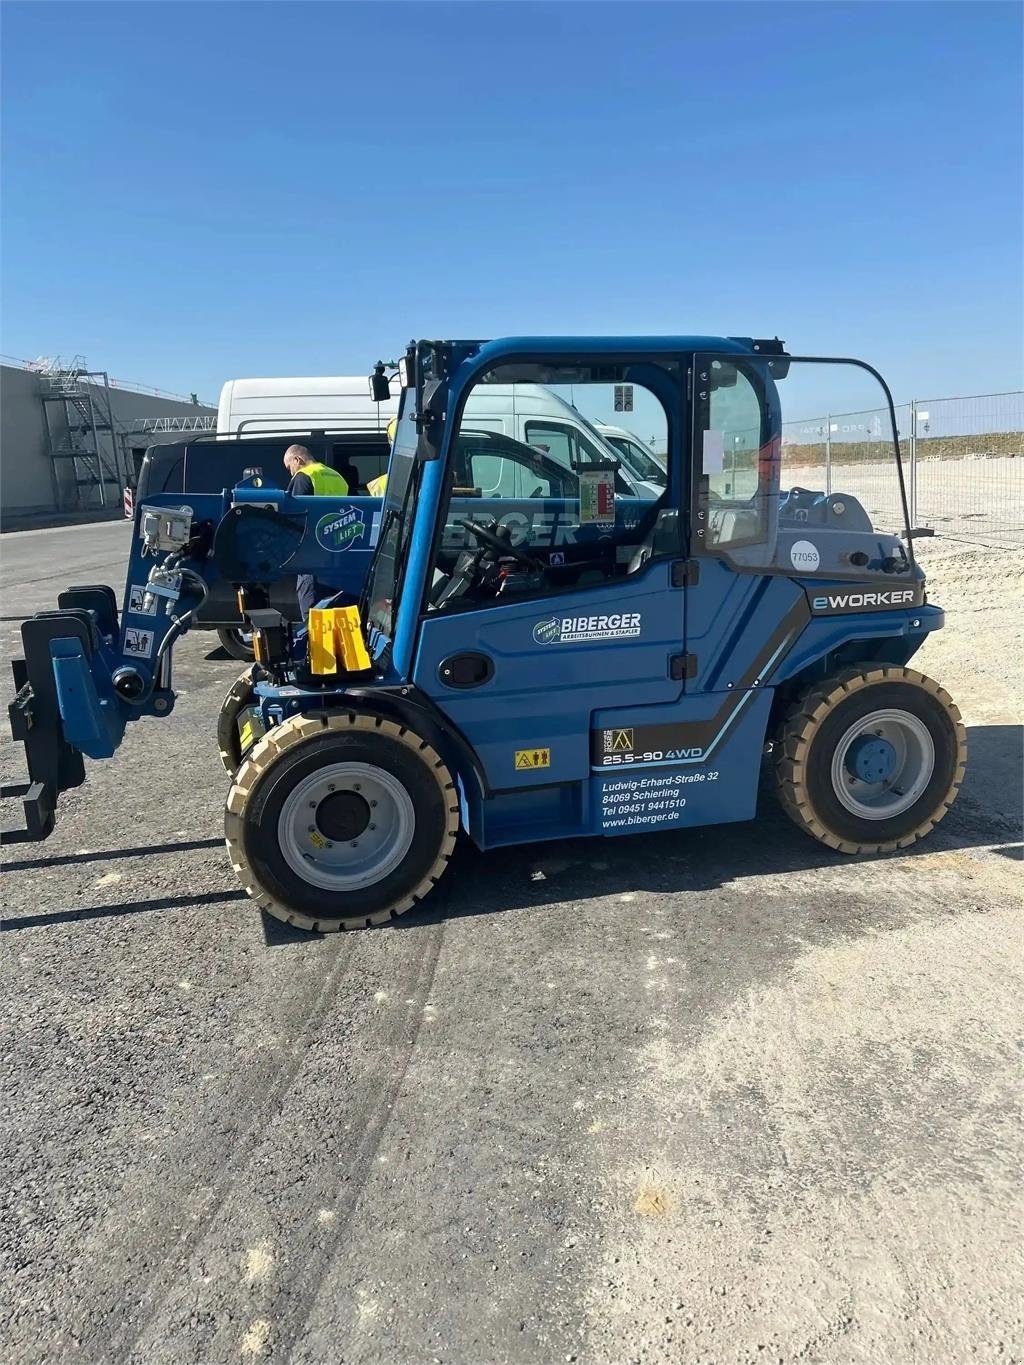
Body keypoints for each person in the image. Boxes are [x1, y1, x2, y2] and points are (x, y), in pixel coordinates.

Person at [281, 444, 350, 623]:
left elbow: (295, 517)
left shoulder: (303, 476)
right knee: (336, 616)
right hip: (337, 557)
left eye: (289, 467)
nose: (290, 472)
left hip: (312, 558)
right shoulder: (338, 477)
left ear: (297, 460)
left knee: (313, 619)